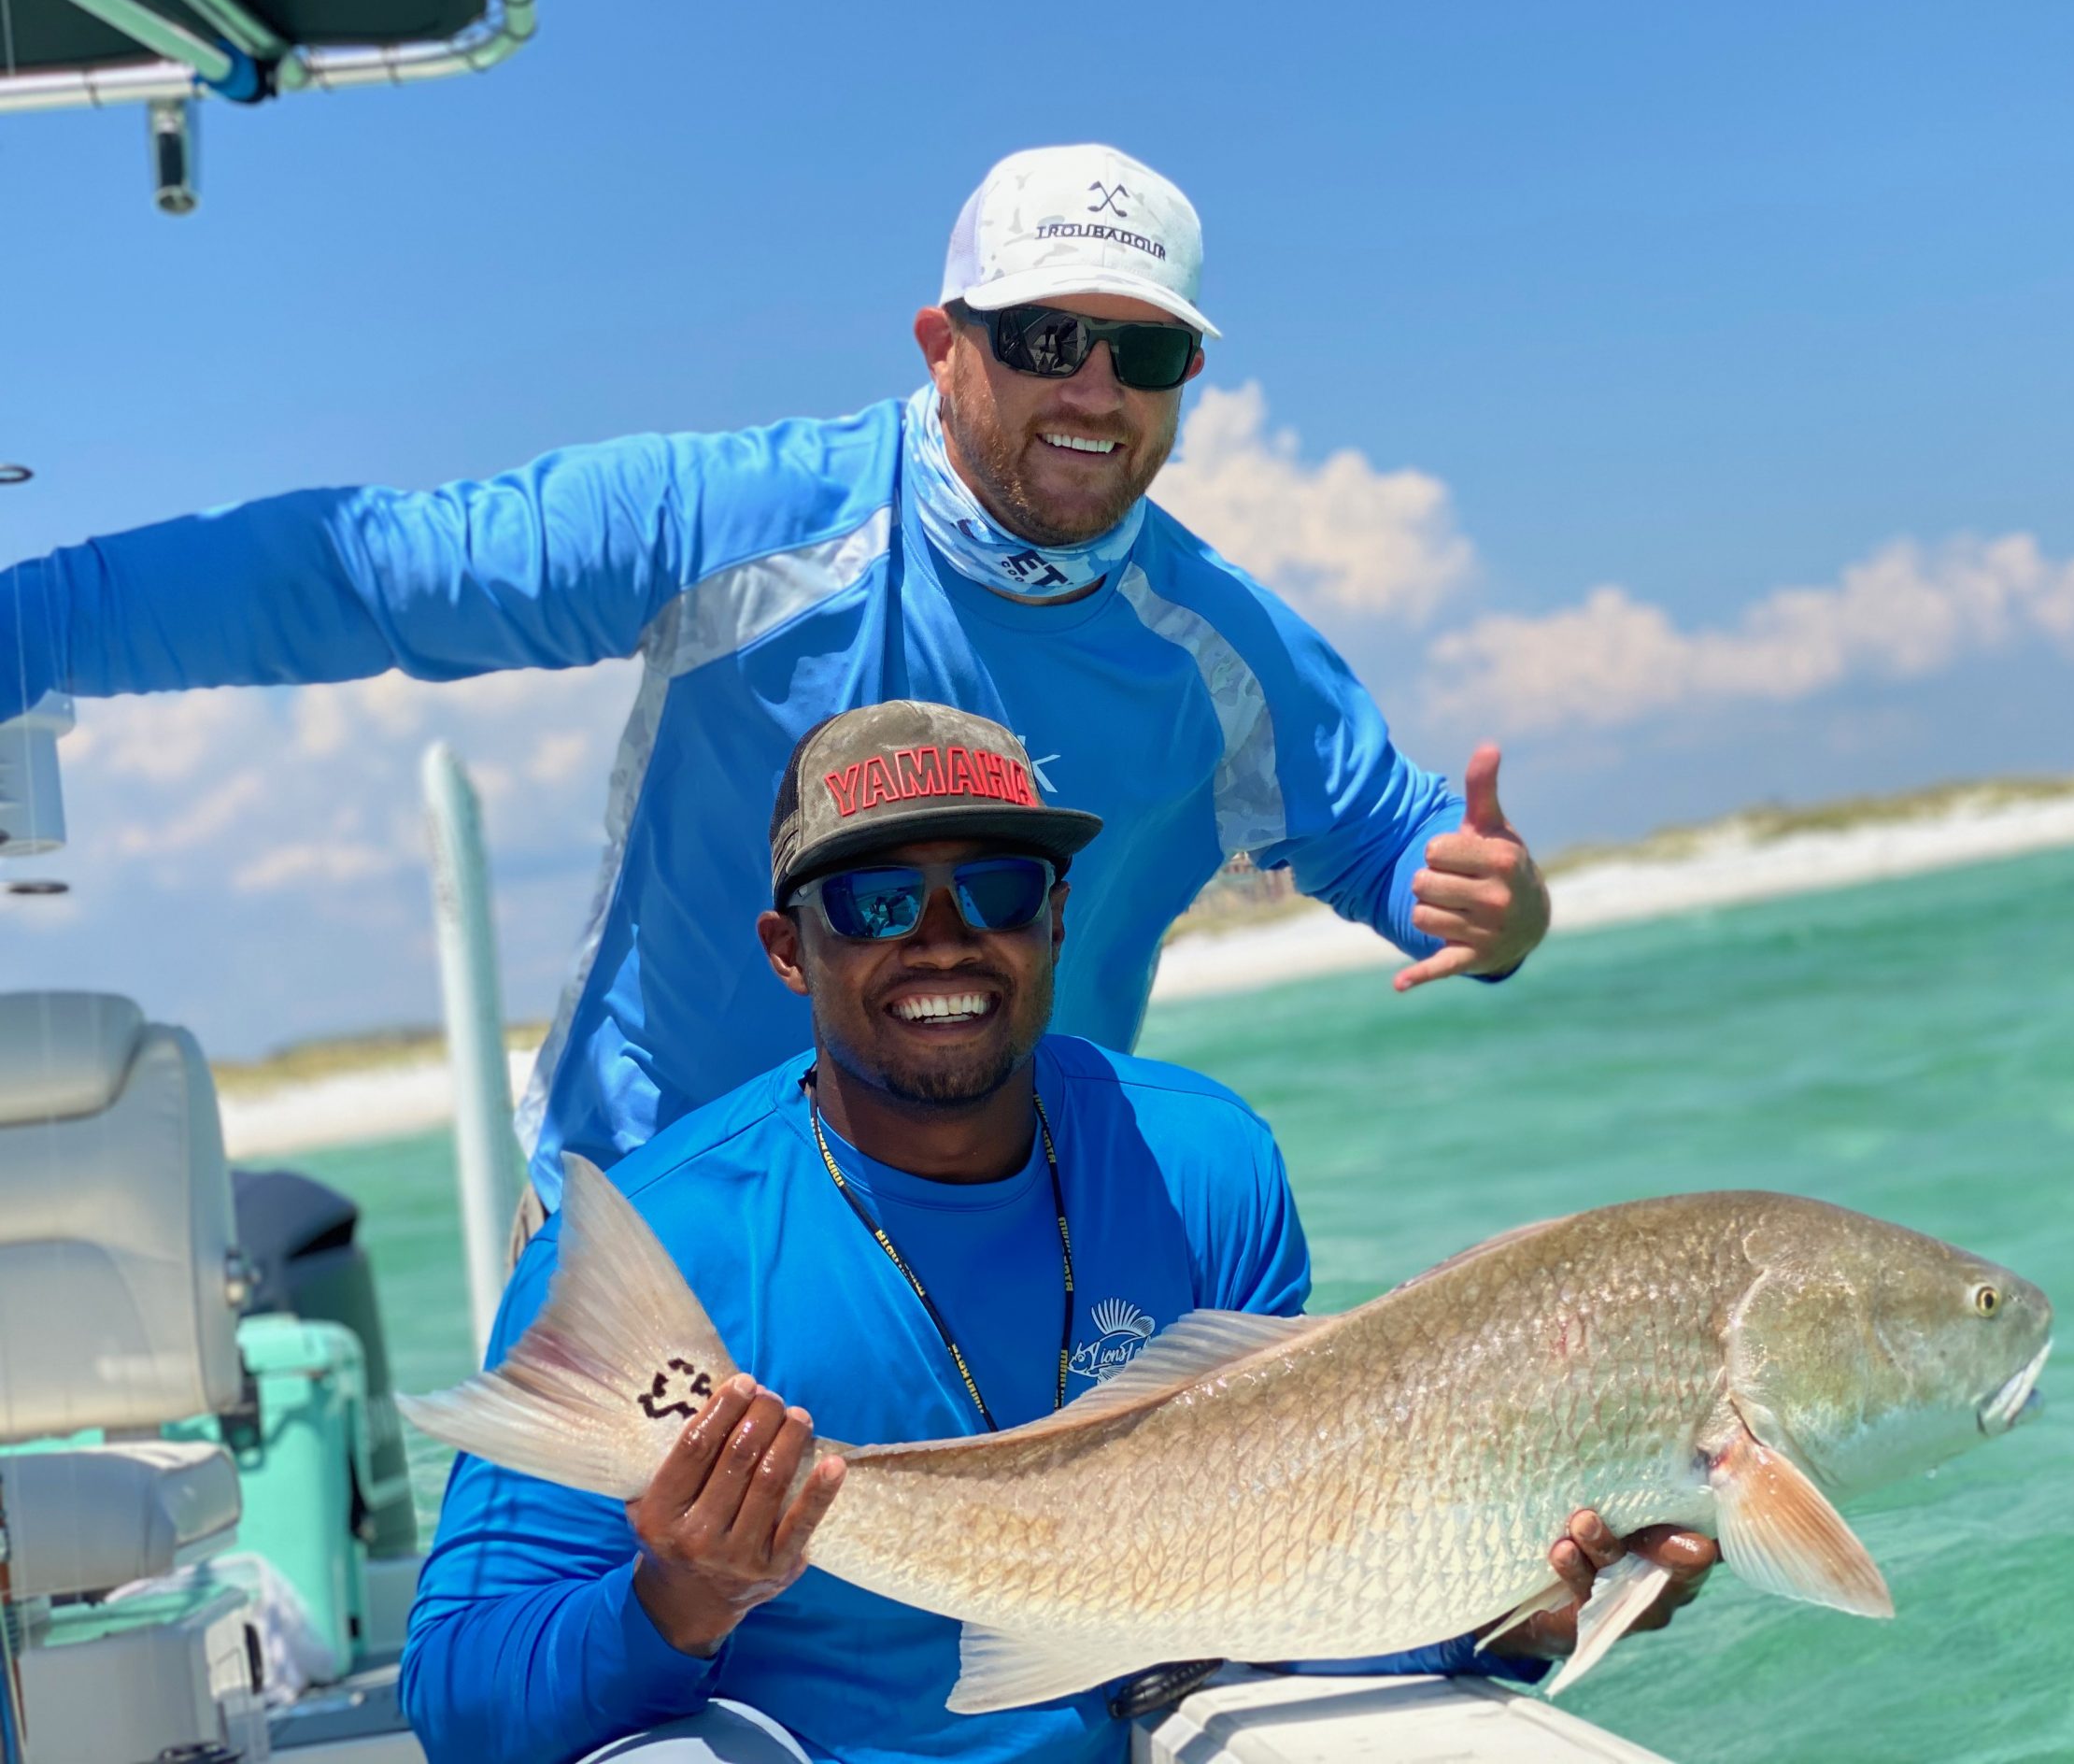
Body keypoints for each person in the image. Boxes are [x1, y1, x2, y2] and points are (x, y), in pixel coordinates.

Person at [0, 142, 1552, 1216]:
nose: (1095, 389)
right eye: (1046, 336)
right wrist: (30, 628)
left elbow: (1394, 846)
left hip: (999, 1249)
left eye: (1143, 356)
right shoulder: (737, 523)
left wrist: (1492, 909)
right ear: (947, 343)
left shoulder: (1226, 653)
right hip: (650, 1241)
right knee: (540, 1681)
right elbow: (368, 575)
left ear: (1188, 384)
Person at [401, 702, 1709, 1764]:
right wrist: (678, 1600)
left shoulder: (1203, 1164)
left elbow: (1273, 1598)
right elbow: (457, 1698)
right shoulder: (670, 1240)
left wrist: (1512, 1613)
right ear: (788, 951)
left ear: (1059, 918)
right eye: (872, 903)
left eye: (997, 887)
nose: (944, 940)